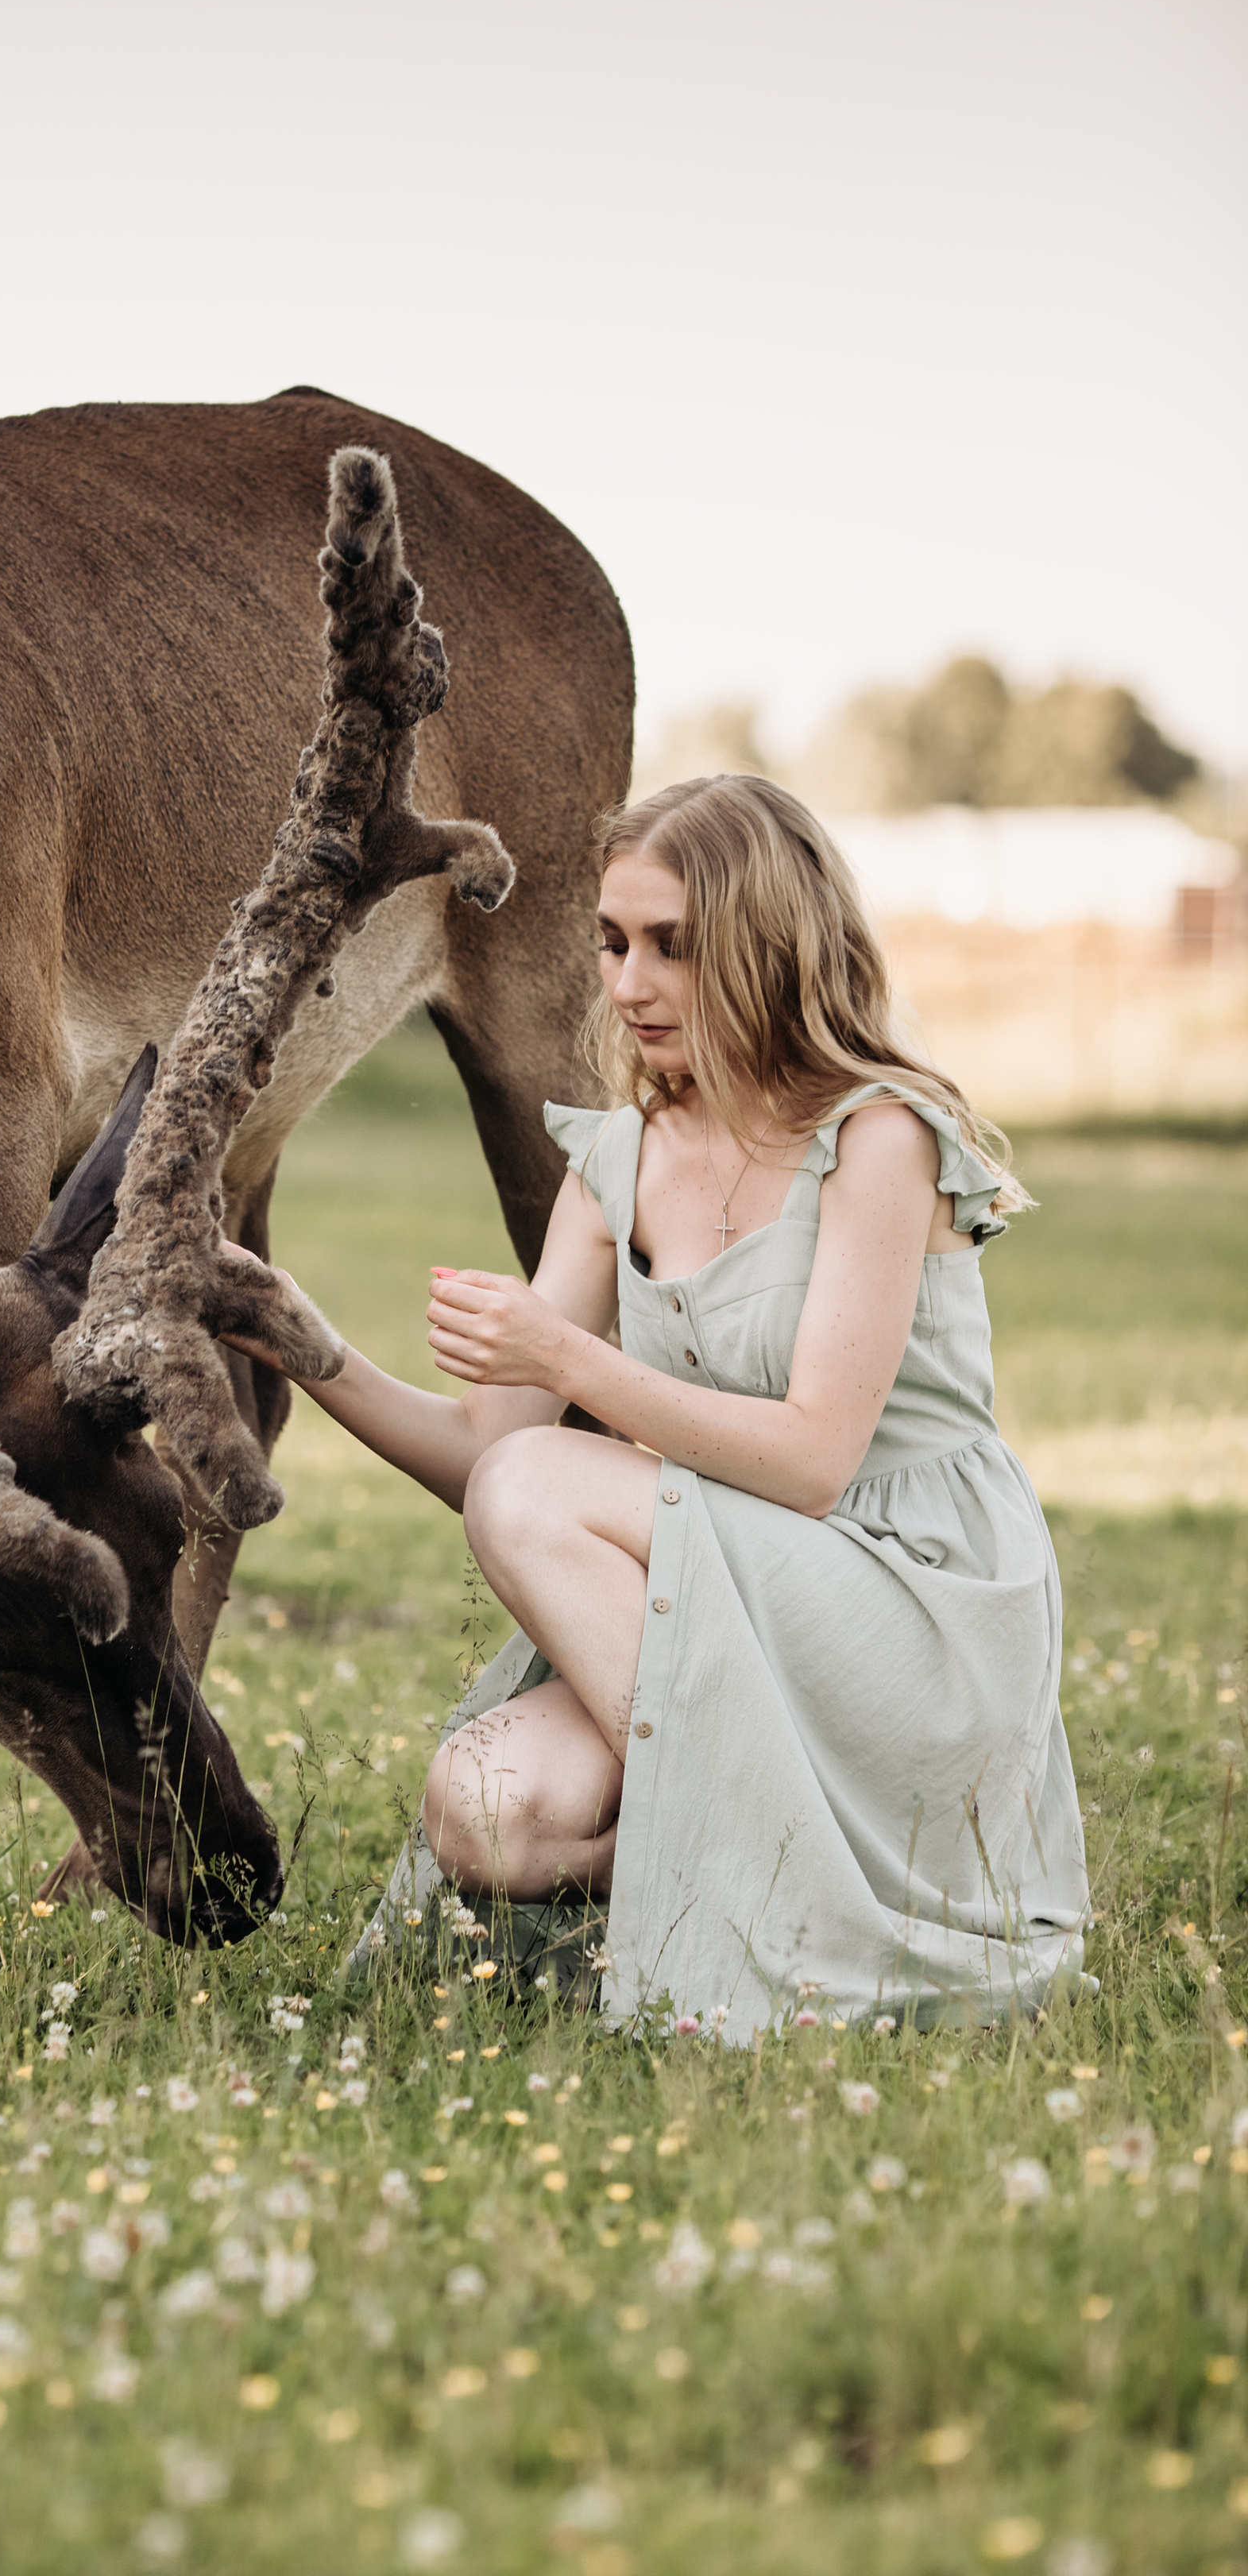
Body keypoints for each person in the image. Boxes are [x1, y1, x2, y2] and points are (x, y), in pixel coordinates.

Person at [230, 773, 1089, 2040]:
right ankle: (755, 1862)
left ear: (770, 945)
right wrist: (298, 1339)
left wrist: (571, 1363)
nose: (629, 984)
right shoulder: (618, 1160)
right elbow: (487, 1458)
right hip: (734, 1581)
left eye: (673, 946)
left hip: (907, 1589)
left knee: (541, 1484)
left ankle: (783, 1877)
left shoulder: (880, 1139)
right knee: (484, 1805)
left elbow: (814, 1462)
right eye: (613, 941)